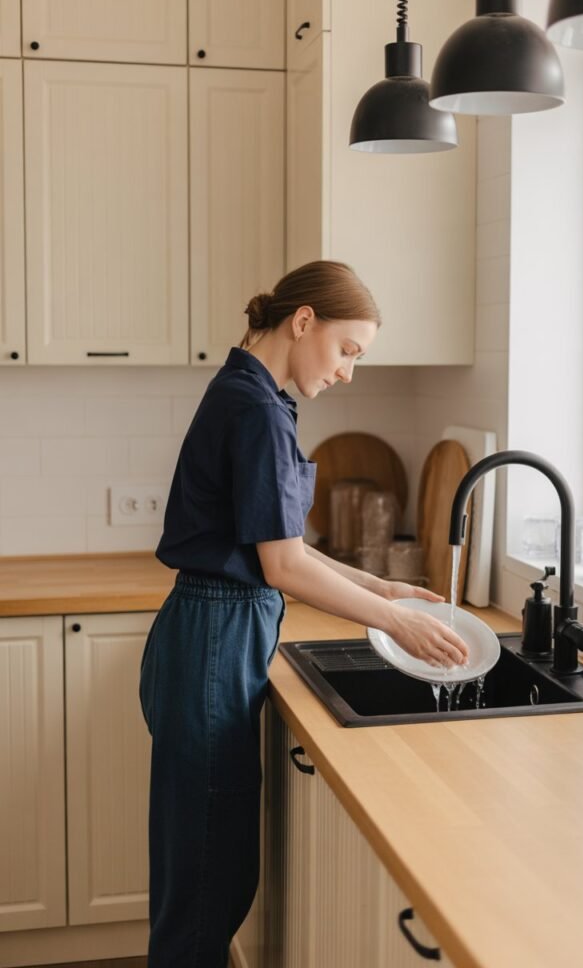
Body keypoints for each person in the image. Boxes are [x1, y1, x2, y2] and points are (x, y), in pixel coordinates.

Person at [139, 259, 469, 967]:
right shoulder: (254, 407)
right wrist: (393, 624)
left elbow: (283, 548)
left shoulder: (254, 394)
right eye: (349, 349)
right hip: (214, 642)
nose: (350, 371)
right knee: (205, 883)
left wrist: (382, 591)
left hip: (211, 635)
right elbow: (283, 566)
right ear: (303, 321)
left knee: (202, 872)